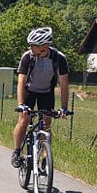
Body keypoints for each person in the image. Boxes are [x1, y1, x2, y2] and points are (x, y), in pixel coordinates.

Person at [11, 27, 70, 167]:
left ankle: (45, 157)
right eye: (30, 45)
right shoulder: (27, 57)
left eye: (33, 45)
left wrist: (64, 108)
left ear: (44, 46)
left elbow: (64, 84)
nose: (30, 48)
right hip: (29, 91)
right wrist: (21, 104)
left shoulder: (59, 58)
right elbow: (21, 81)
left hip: (46, 93)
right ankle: (17, 152)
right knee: (24, 120)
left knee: (46, 124)